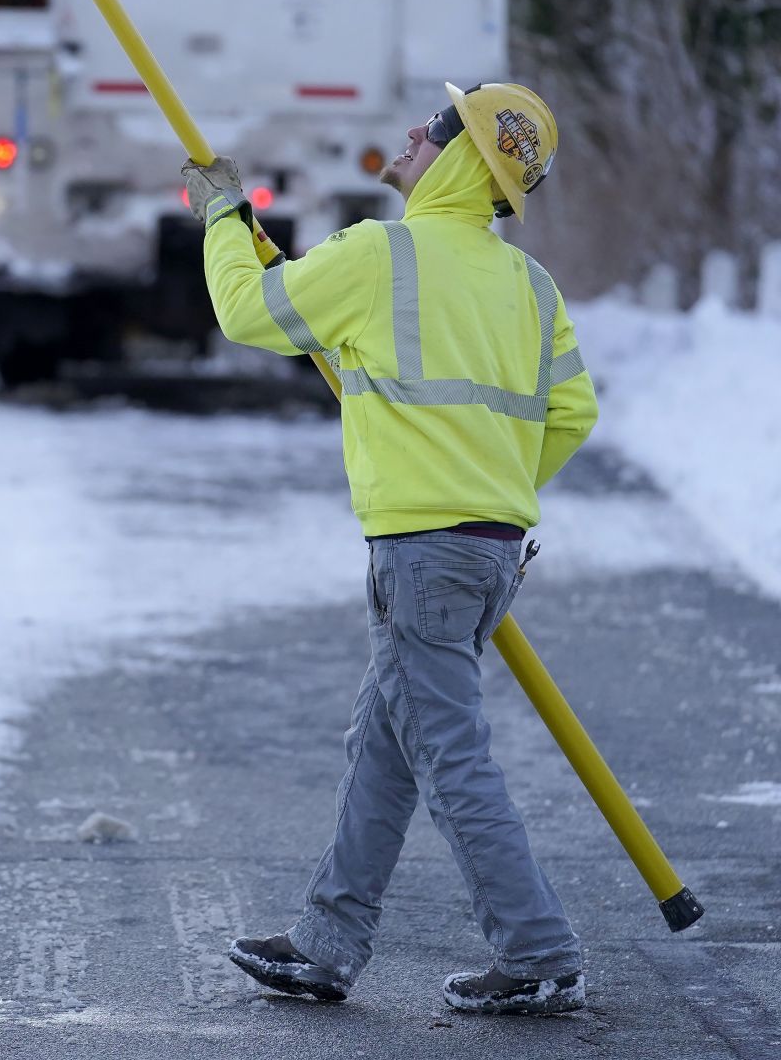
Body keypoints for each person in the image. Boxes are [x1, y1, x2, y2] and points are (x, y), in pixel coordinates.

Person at [183, 82, 596, 1015]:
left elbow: (250, 315)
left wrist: (218, 218)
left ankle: (538, 949)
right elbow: (574, 413)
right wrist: (495, 485)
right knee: (386, 743)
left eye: (436, 127)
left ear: (461, 159)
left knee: (450, 756)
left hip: (421, 554)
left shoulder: (383, 254)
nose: (413, 131)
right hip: (490, 552)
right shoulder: (529, 285)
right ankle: (327, 942)